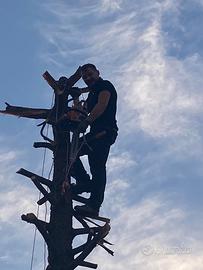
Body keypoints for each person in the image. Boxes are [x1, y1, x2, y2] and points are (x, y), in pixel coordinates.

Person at [70, 63, 118, 216]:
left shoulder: (104, 85)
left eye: (90, 74)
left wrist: (87, 122)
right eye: (84, 77)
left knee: (97, 166)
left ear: (98, 72)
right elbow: (81, 113)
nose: (88, 78)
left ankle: (94, 205)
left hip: (105, 132)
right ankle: (83, 181)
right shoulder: (91, 95)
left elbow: (102, 105)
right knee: (70, 152)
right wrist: (76, 97)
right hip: (96, 133)